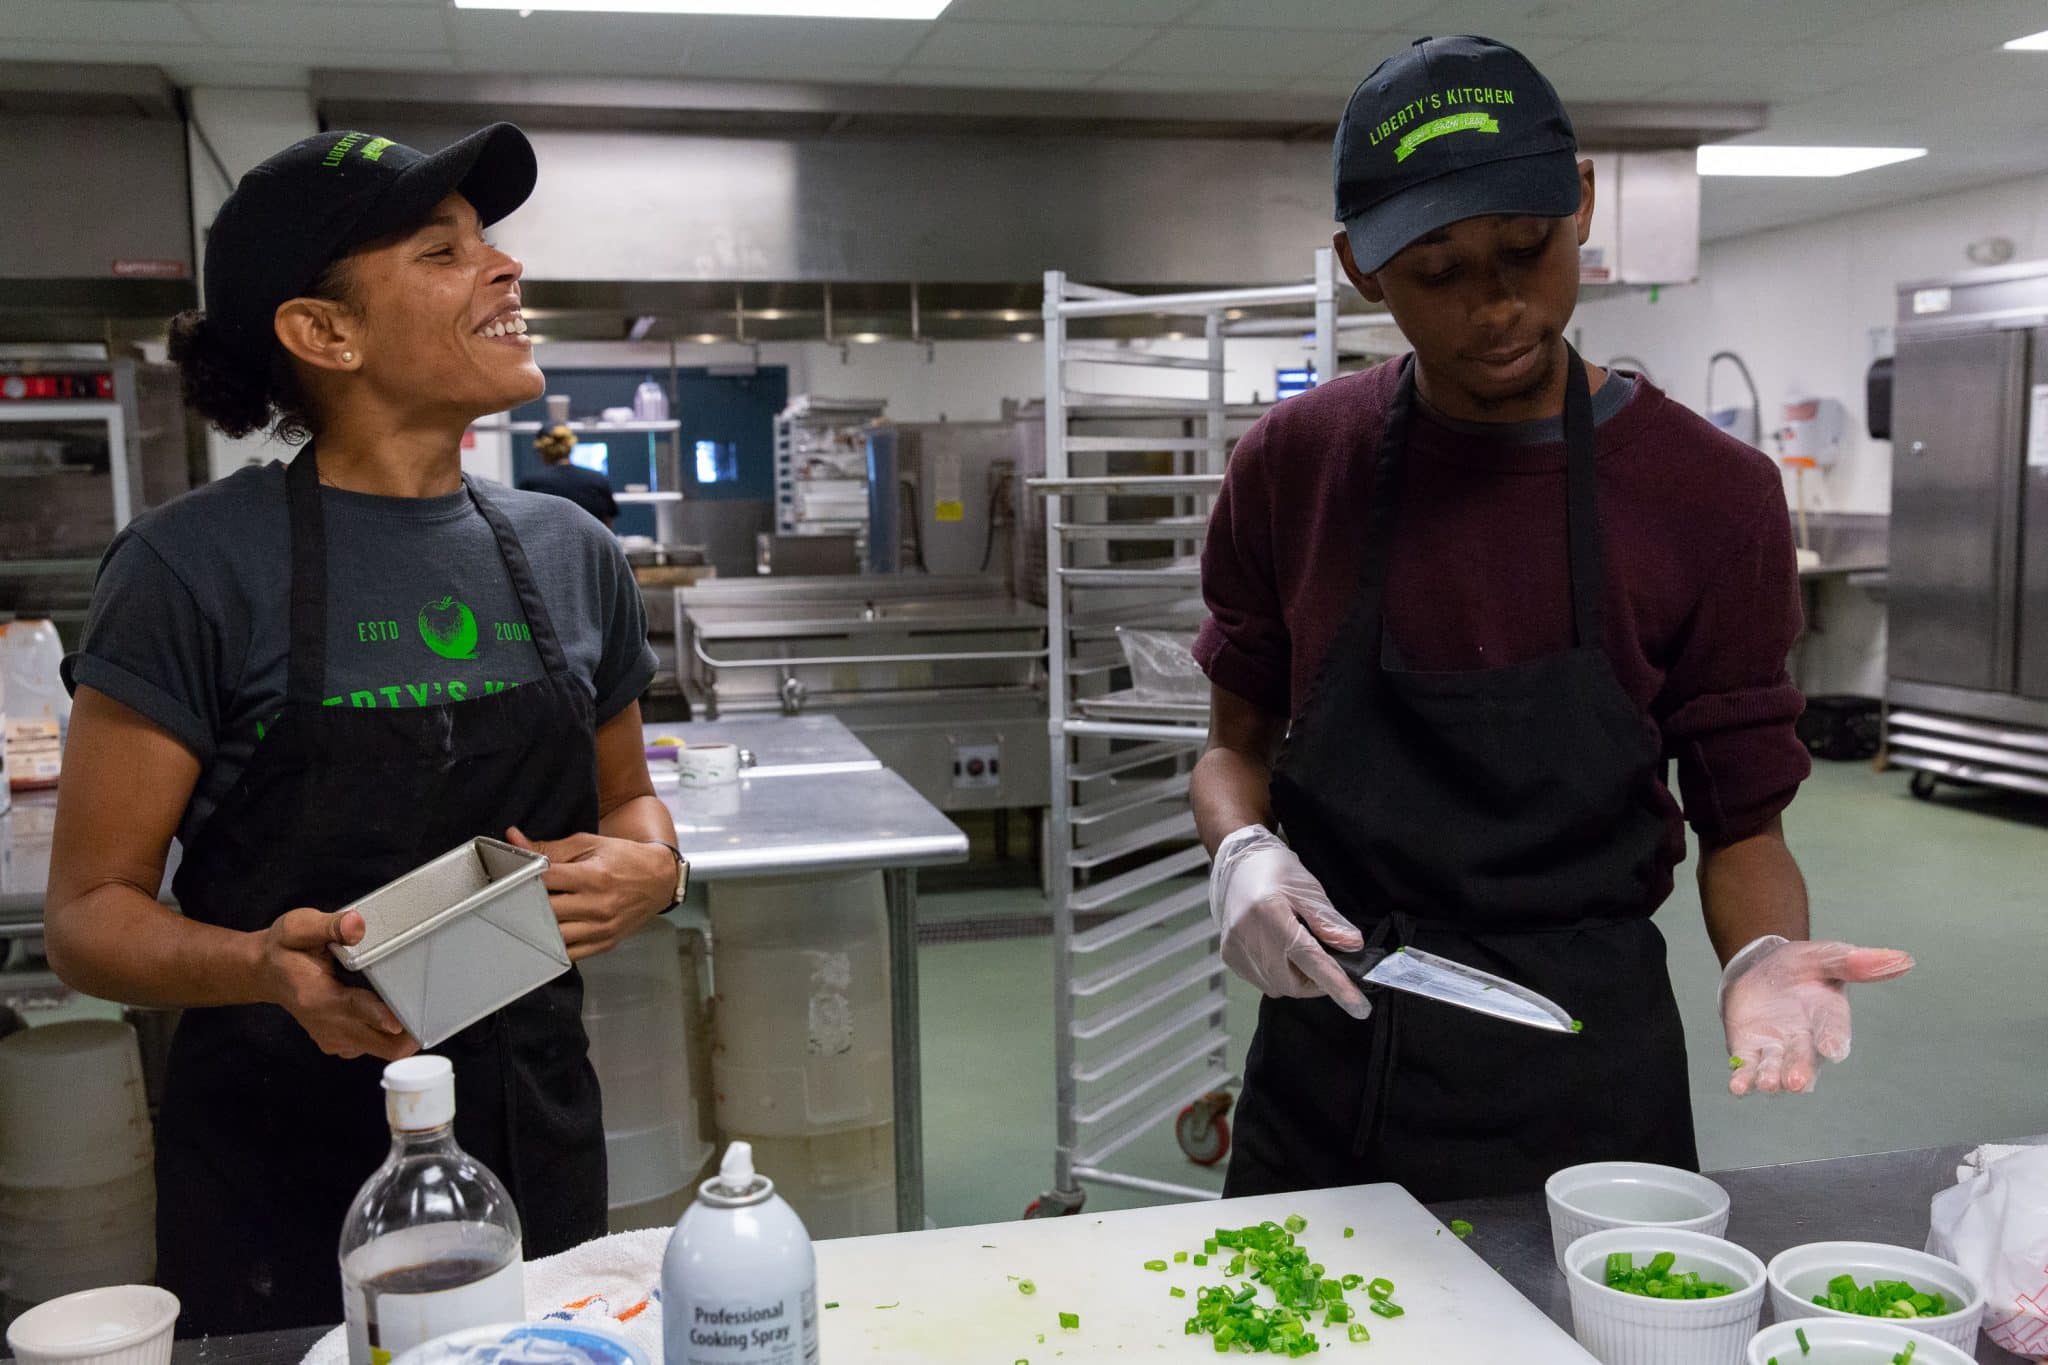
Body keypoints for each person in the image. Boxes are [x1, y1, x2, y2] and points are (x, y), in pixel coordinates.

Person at [1191, 36, 1915, 1203]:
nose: (1493, 310)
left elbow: (1741, 825)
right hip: (1335, 1047)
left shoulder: (1709, 494)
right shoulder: (1295, 467)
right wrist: (1241, 854)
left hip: (1584, 1068)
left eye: (1526, 251)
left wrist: (1765, 958)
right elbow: (1235, 748)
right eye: (1435, 272)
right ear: (1359, 270)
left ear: (1579, 201)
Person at [44, 125, 690, 1334]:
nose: (502, 269)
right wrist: (257, 966)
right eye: (443, 251)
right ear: (324, 333)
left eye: (489, 241)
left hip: (531, 1133)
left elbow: (627, 801)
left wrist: (655, 867)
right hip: (280, 1164)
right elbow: (87, 920)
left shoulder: (571, 553)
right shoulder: (190, 570)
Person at [519, 422, 619, 528]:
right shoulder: (598, 479)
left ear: (542, 451)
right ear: (570, 446)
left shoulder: (531, 484)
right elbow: (608, 525)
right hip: (589, 544)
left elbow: (523, 525)